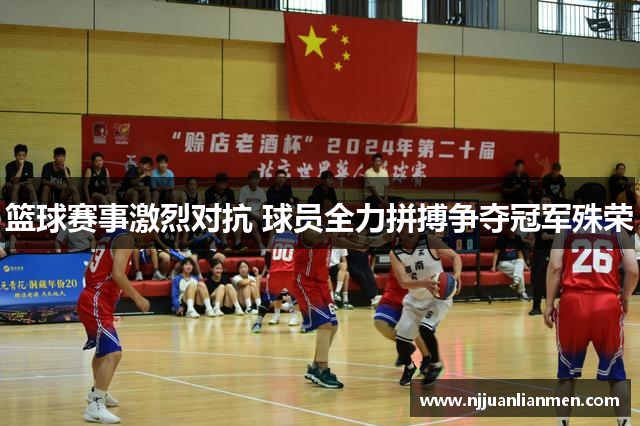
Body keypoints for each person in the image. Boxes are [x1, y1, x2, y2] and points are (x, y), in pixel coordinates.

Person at [544, 182, 638, 426]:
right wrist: (625, 297)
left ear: (578, 202)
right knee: (616, 372)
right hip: (606, 303)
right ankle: (625, 423)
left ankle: (562, 423)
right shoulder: (618, 229)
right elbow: (632, 270)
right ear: (605, 203)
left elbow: (555, 267)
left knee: (566, 373)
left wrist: (549, 304)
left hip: (573, 304)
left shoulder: (566, 229)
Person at [291, 194, 371, 389]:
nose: (332, 210)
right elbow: (320, 236)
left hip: (321, 283)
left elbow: (336, 240)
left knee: (332, 325)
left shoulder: (325, 228)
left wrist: (359, 246)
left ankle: (315, 366)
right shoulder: (309, 228)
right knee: (325, 324)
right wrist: (346, 232)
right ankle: (323, 369)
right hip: (306, 282)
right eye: (328, 207)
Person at [77, 227, 152, 424]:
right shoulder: (127, 239)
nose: (153, 237)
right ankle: (95, 405)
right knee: (113, 353)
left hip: (94, 298)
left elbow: (88, 269)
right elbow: (118, 274)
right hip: (96, 301)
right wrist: (138, 298)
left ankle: (98, 391)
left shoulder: (110, 236)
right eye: (154, 231)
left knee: (102, 350)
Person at [391, 227, 462, 387]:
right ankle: (410, 367)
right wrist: (423, 283)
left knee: (425, 328)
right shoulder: (395, 253)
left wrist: (457, 274)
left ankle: (435, 364)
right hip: (414, 300)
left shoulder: (430, 241)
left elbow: (455, 257)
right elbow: (403, 282)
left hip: (437, 299)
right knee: (401, 343)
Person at [252, 228, 300, 333]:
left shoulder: (274, 238)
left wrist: (271, 269)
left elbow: (267, 256)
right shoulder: (296, 239)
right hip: (289, 272)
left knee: (267, 299)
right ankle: (303, 323)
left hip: (275, 273)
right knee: (296, 297)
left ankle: (258, 323)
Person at [529, 195, 554, 316]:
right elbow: (533, 235)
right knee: (534, 279)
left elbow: (561, 235)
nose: (545, 203)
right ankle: (542, 305)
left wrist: (549, 236)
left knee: (540, 278)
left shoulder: (555, 218)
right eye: (543, 201)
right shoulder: (536, 217)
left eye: (547, 201)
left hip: (548, 252)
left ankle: (537, 307)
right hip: (537, 252)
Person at [491, 224, 530, 300]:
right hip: (503, 263)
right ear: (507, 228)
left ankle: (516, 282)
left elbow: (519, 253)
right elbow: (496, 252)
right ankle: (522, 293)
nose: (513, 230)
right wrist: (493, 266)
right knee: (519, 270)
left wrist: (525, 265)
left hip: (515, 262)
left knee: (520, 261)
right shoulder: (501, 238)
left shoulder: (518, 238)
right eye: (511, 228)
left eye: (515, 228)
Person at [238, 170, 267, 255]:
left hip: (259, 215)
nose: (255, 181)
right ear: (249, 180)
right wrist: (254, 215)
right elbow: (242, 206)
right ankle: (261, 247)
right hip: (247, 215)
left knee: (273, 224)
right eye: (253, 179)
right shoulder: (244, 190)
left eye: (257, 179)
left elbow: (263, 204)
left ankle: (271, 248)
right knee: (253, 225)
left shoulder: (261, 191)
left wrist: (261, 215)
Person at [205, 173, 236, 252]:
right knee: (223, 220)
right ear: (216, 183)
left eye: (224, 184)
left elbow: (233, 207)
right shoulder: (209, 191)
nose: (222, 186)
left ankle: (226, 244)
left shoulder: (230, 192)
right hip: (212, 215)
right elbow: (212, 208)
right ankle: (215, 247)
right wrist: (226, 214)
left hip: (225, 215)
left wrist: (233, 213)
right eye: (220, 184)